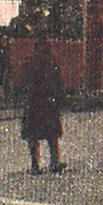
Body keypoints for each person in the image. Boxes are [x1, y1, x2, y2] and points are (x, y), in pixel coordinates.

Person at [20, 39, 65, 175]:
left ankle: (35, 165)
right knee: (52, 136)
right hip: (47, 103)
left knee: (33, 136)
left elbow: (24, 83)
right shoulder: (52, 65)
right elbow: (58, 85)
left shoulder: (29, 64)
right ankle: (54, 162)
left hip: (33, 103)